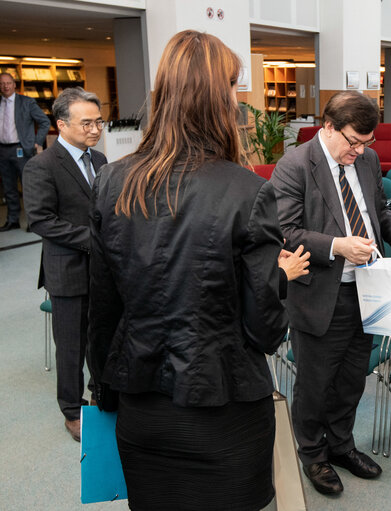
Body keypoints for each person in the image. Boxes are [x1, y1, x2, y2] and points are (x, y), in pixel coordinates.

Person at [87, 30, 288, 510]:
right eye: (236, 87)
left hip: (141, 403)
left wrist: (102, 389)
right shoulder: (246, 189)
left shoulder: (111, 181)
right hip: (226, 408)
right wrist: (280, 278)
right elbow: (265, 331)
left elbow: (102, 308)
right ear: (220, 99)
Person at [270, 91, 391, 496]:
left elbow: (379, 209)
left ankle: (340, 445)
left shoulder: (367, 160)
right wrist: (337, 246)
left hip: (369, 289)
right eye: (353, 141)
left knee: (353, 378)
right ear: (329, 126)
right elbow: (284, 231)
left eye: (367, 143)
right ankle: (313, 455)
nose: (359, 151)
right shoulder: (295, 165)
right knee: (316, 383)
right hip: (321, 293)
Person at [23, 87, 106, 442]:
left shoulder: (100, 161)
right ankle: (73, 411)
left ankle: (100, 394)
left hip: (103, 270)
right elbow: (41, 220)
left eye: (99, 122)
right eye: (86, 123)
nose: (95, 129)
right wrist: (93, 240)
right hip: (67, 270)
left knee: (102, 338)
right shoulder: (41, 165)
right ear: (61, 124)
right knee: (71, 346)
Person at [0, 72, 50, 231]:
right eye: (2, 83)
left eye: (8, 83)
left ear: (14, 84)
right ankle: (12, 220)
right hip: (2, 150)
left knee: (28, 187)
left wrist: (36, 142)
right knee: (9, 188)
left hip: (22, 150)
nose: (5, 86)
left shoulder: (27, 102)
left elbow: (44, 122)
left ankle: (32, 222)